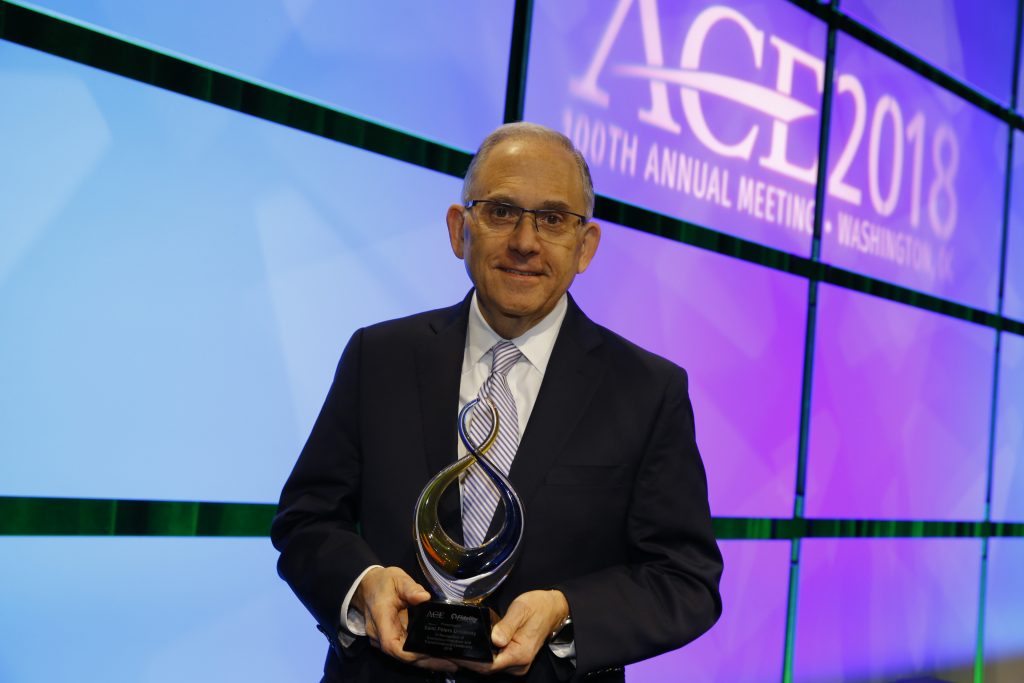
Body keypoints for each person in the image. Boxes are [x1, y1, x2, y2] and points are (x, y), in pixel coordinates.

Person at [271, 122, 722, 683]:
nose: (525, 242)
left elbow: (685, 579)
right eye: (501, 211)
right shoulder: (378, 355)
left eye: (554, 219)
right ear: (460, 229)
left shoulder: (647, 390)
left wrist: (566, 611)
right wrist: (362, 584)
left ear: (585, 247)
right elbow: (306, 520)